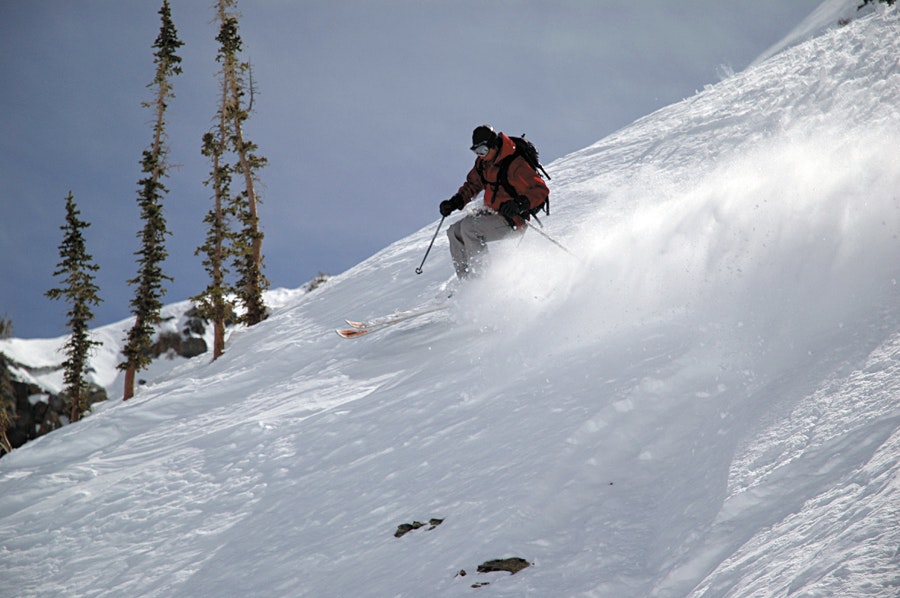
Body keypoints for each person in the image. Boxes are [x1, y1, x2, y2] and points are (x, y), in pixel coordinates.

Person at [439, 125, 550, 279]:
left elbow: (540, 190)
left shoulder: (515, 163)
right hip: (492, 214)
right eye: (476, 152)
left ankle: (481, 279)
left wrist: (519, 204)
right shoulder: (483, 163)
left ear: (493, 145)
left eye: (483, 151)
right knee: (454, 231)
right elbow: (473, 184)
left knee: (469, 228)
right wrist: (456, 201)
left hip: (513, 218)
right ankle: (465, 281)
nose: (480, 155)